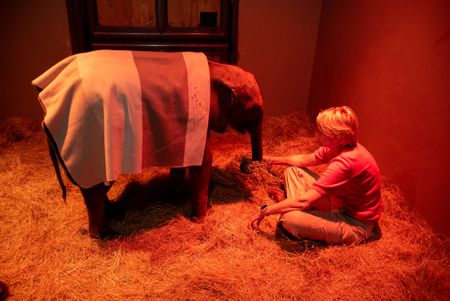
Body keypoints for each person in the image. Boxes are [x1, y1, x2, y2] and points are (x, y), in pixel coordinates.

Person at [251, 106, 382, 245]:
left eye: (322, 132)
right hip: (340, 201)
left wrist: (266, 211)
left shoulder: (345, 163)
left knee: (290, 220)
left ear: (337, 137)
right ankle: (294, 207)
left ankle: (292, 214)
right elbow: (303, 160)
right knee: (294, 171)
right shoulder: (336, 147)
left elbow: (304, 201)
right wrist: (267, 159)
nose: (317, 135)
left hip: (354, 223)